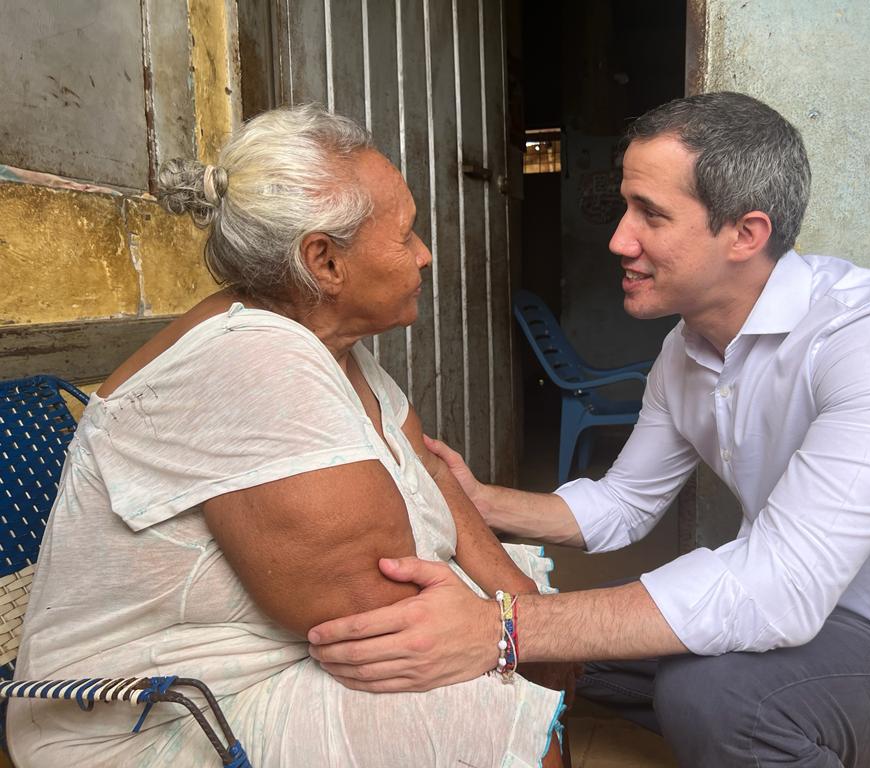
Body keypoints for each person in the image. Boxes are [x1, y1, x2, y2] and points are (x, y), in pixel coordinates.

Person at [306, 92, 870, 767]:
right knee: (565, 646)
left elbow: (778, 588)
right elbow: (623, 506)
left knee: (713, 695)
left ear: (746, 234)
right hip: (797, 628)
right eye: (625, 208)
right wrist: (473, 499)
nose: (619, 239)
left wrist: (501, 627)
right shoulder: (686, 351)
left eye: (651, 214)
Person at [9, 105, 571, 767]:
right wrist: (521, 640)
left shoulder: (336, 346)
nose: (425, 254)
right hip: (156, 712)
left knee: (512, 657)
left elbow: (431, 473)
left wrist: (523, 613)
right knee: (493, 716)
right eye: (407, 235)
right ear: (323, 261)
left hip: (275, 658)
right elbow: (377, 617)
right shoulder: (255, 360)